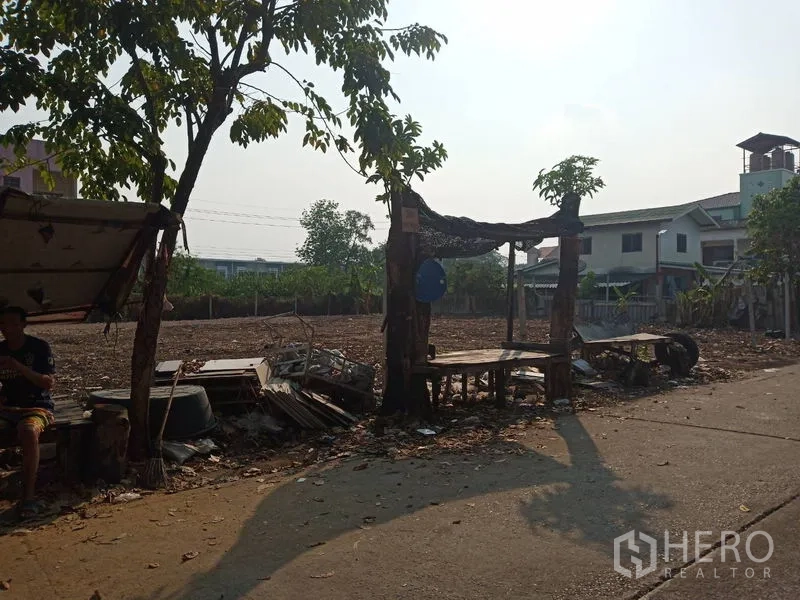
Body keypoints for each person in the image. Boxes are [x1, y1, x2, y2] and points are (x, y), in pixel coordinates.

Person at [0, 306, 56, 518]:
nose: (7, 329)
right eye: (3, 324)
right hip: (7, 408)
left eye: (13, 323)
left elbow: (48, 383)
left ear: (23, 324)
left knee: (29, 431)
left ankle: (29, 496)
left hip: (37, 406)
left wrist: (18, 367)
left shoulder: (39, 347)